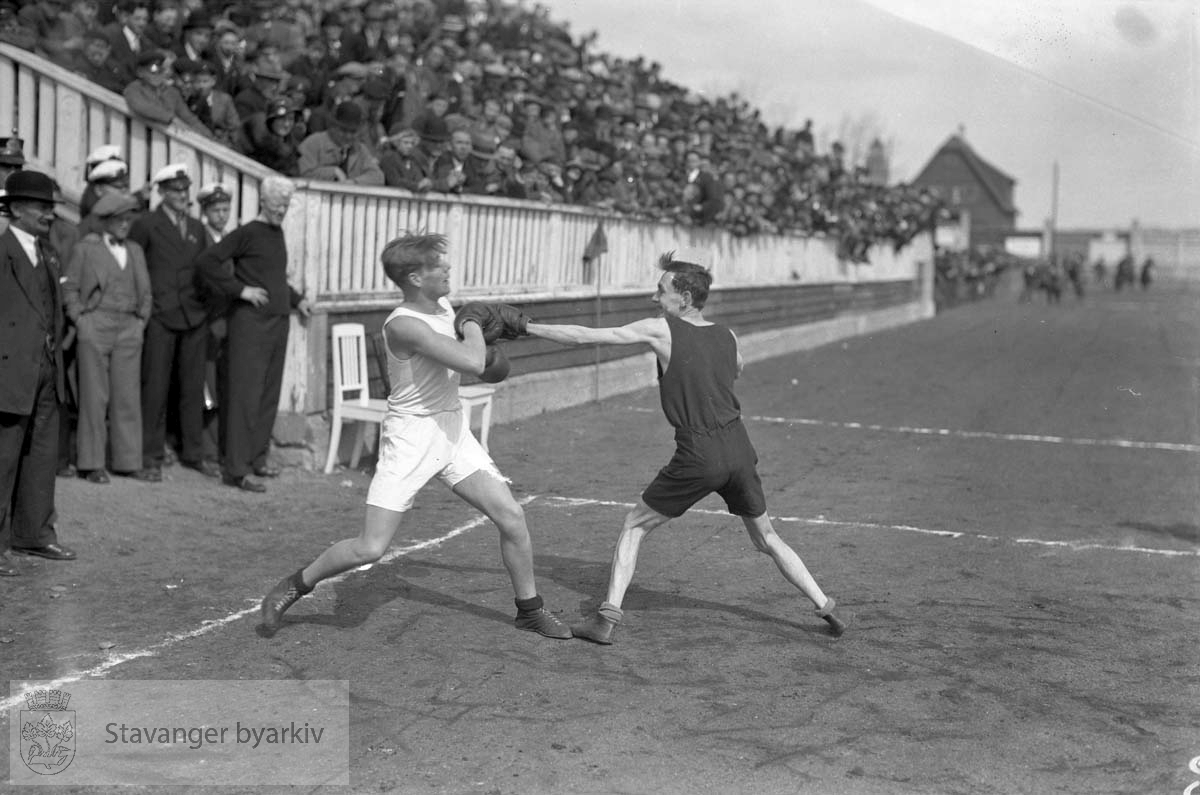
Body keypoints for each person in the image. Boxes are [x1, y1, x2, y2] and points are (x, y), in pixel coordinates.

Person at [257, 231, 571, 640]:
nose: (448, 270)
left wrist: (495, 350)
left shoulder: (442, 305)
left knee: (511, 515)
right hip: (411, 437)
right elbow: (472, 359)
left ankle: (529, 609)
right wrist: (475, 326)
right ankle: (296, 584)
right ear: (414, 278)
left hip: (451, 428)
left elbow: (486, 367)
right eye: (437, 266)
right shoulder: (403, 325)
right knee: (371, 548)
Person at [525, 251, 846, 643]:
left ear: (685, 299)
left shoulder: (662, 329)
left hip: (699, 451)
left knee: (634, 526)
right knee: (767, 538)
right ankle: (824, 605)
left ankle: (605, 619)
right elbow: (738, 367)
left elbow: (587, 337)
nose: (654, 298)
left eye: (661, 291)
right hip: (740, 447)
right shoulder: (726, 335)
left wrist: (527, 326)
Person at [194, 176, 311, 493]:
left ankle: (258, 459)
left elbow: (272, 277)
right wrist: (240, 290)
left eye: (286, 206)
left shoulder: (276, 233)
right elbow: (207, 261)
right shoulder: (247, 233)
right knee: (245, 396)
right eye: (277, 205)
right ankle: (236, 469)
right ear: (263, 202)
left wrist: (298, 300)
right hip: (250, 325)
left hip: (277, 323)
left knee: (268, 395)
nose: (281, 211)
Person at [0, 170, 79, 576]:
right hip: (11, 369)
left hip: (47, 368)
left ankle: (34, 533)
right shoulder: (2, 248)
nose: (50, 214)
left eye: (51, 206)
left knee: (41, 456)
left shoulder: (47, 251)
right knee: (4, 458)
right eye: (41, 207)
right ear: (15, 209)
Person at [128, 163, 216, 481]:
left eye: (185, 189)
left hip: (193, 316)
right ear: (162, 192)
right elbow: (134, 265)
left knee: (192, 388)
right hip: (160, 316)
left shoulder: (196, 226)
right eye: (175, 190)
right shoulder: (146, 224)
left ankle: (193, 452)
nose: (182, 195)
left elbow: (208, 268)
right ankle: (150, 453)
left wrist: (206, 306)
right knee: (155, 387)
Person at [61, 192, 152, 483]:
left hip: (129, 327)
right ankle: (91, 463)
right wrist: (82, 320)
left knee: (127, 396)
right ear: (106, 221)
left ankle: (127, 460)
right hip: (96, 326)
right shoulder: (86, 249)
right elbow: (70, 288)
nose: (126, 224)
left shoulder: (135, 250)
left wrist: (140, 322)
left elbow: (146, 292)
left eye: (129, 219)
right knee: (94, 396)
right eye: (120, 219)